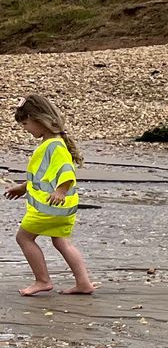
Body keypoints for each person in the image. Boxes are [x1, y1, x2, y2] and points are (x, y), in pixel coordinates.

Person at [8, 95, 95, 297]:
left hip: (50, 205)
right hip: (64, 207)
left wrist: (60, 191)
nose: (25, 129)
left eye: (26, 124)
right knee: (61, 241)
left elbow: (66, 171)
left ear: (39, 119)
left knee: (24, 237)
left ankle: (42, 280)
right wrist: (23, 188)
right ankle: (84, 283)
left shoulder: (53, 146)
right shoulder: (54, 143)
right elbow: (44, 176)